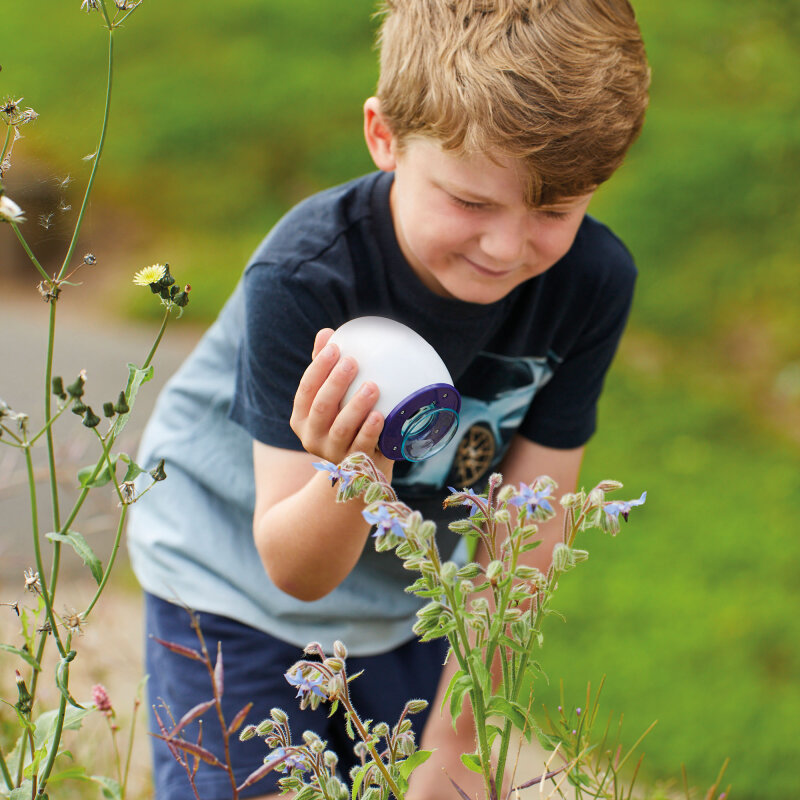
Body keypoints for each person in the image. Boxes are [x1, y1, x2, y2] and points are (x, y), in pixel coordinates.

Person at [128, 1, 650, 797]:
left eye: (554, 210)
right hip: (233, 583)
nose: (505, 247)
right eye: (471, 202)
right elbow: (296, 571)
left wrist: (457, 739)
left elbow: (528, 533)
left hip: (402, 599)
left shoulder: (590, 284)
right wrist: (357, 468)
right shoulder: (307, 278)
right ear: (384, 136)